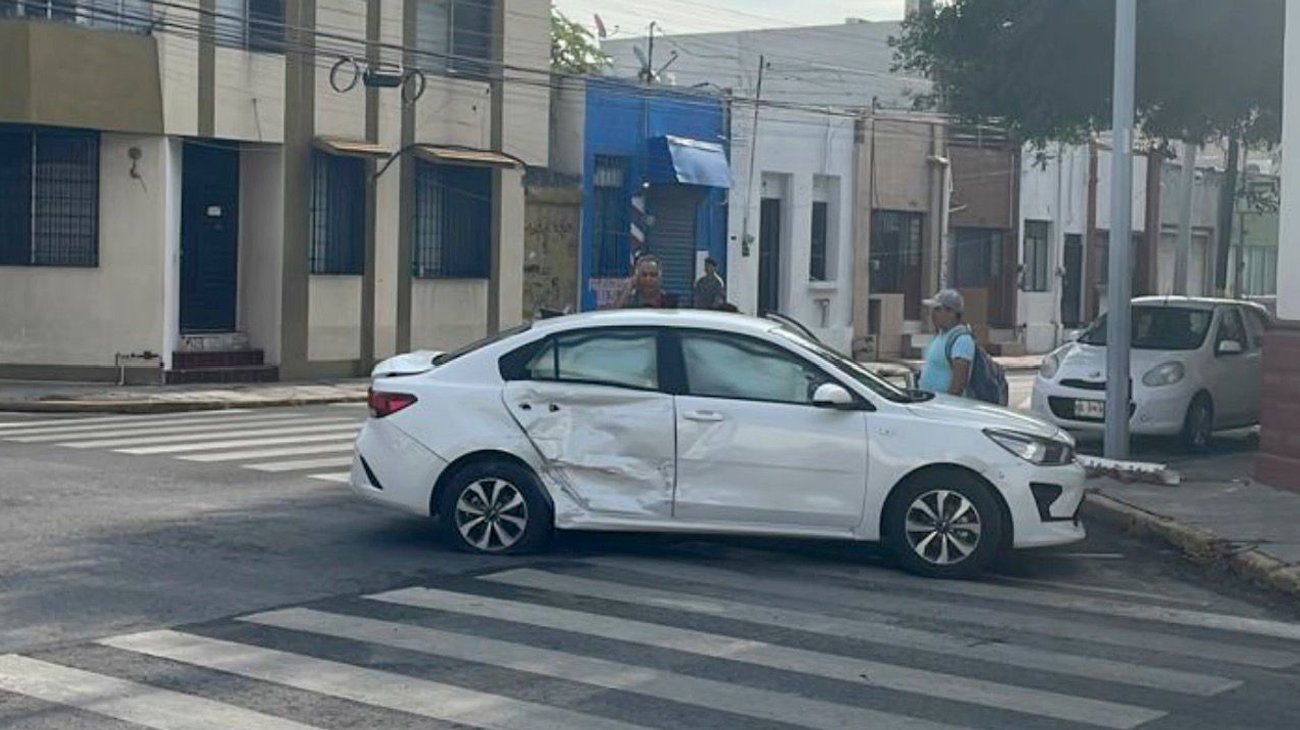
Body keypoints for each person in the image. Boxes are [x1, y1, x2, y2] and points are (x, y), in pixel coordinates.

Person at [917, 289, 974, 397]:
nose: (933, 314)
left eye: (937, 309)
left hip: (944, 408)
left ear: (951, 312)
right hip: (930, 405)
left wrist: (946, 407)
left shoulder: (961, 339)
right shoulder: (941, 335)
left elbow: (958, 384)